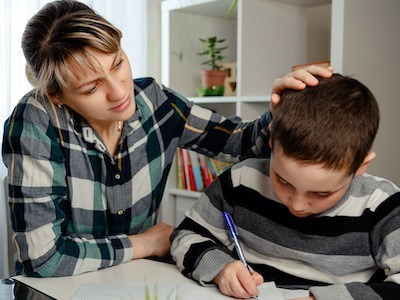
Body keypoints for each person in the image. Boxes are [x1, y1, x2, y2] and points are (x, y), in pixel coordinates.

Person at [1, 0, 332, 277]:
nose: (119, 92)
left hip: (138, 278)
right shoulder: (34, 123)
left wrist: (277, 108)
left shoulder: (156, 100)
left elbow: (242, 144)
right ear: (56, 95)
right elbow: (43, 259)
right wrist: (146, 243)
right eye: (91, 87)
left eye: (117, 64)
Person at [170, 74, 400, 300]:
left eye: (321, 193)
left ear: (361, 165)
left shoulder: (382, 204)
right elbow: (186, 236)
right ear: (271, 143)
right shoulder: (241, 180)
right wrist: (221, 269)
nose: (297, 205)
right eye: (282, 181)